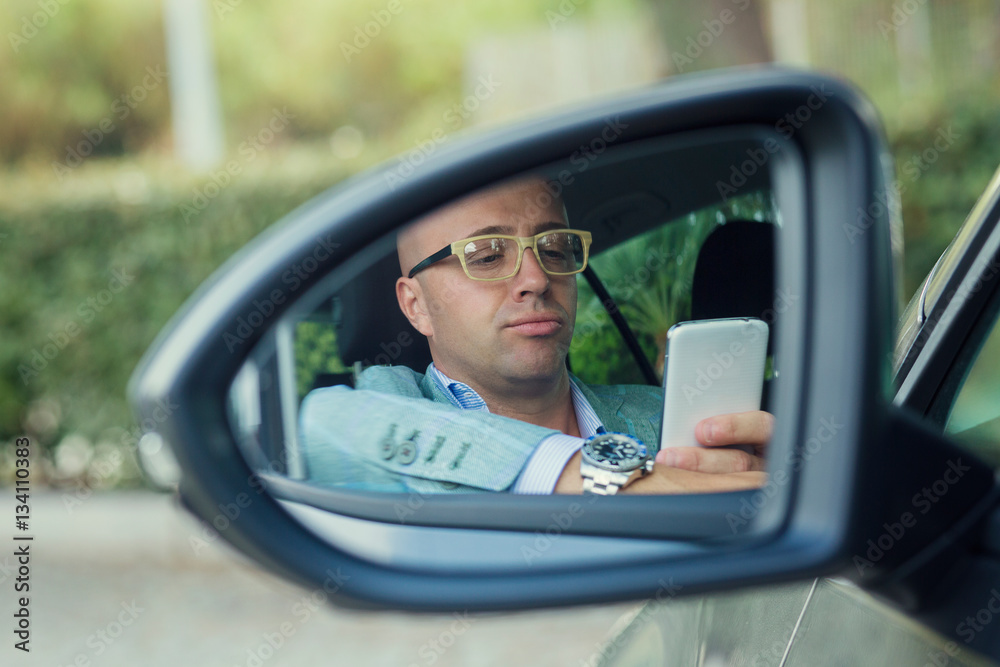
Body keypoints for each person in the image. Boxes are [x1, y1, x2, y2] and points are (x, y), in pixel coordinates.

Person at [299, 176, 772, 494]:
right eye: (486, 256)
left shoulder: (662, 413)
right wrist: (609, 480)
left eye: (554, 247)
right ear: (415, 305)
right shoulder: (392, 406)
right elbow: (326, 422)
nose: (537, 278)